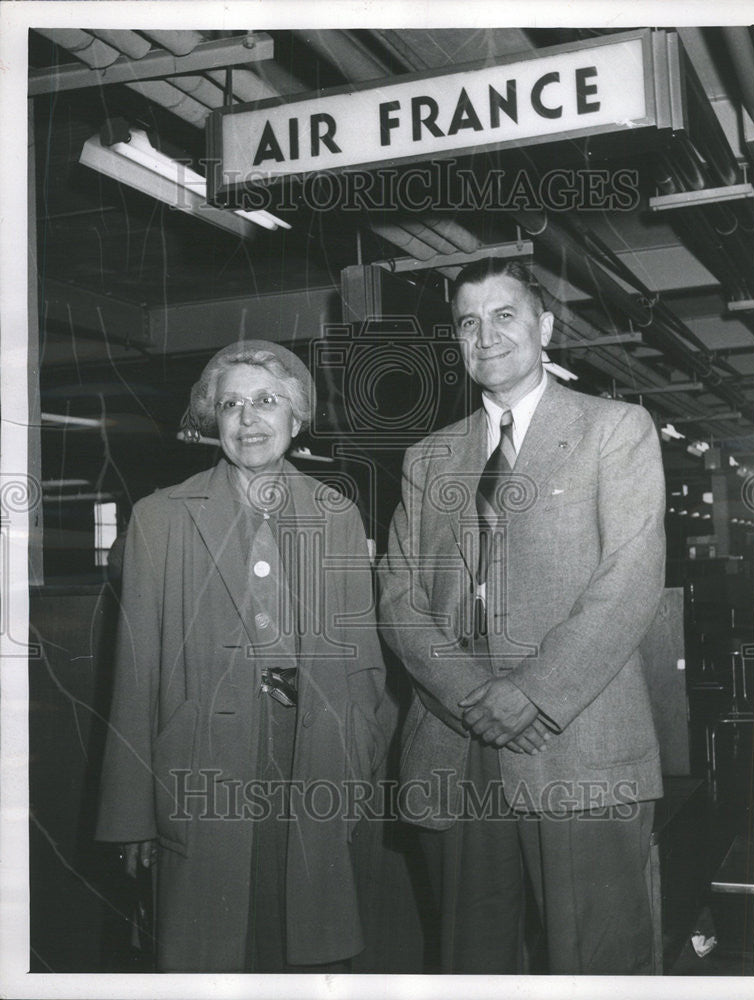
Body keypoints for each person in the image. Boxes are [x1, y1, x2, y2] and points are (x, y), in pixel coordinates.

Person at [377, 258, 666, 975]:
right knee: (470, 962)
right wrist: (471, 696)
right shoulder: (426, 458)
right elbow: (397, 595)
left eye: (503, 315)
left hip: (577, 736)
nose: (485, 335)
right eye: (467, 323)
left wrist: (530, 691)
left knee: (598, 958)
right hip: (456, 738)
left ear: (542, 326)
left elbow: (629, 579)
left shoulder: (614, 430)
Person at [96, 340, 389, 972]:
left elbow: (364, 665)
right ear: (212, 420)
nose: (248, 419)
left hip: (309, 754)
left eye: (266, 401)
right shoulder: (160, 519)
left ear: (297, 417)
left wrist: (356, 776)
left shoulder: (336, 515)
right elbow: (134, 678)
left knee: (301, 942)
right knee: (214, 947)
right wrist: (131, 818)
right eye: (231, 404)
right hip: (199, 763)